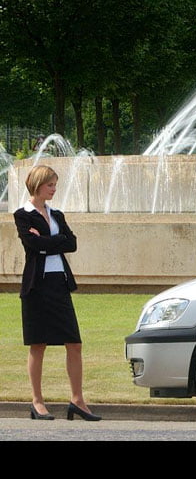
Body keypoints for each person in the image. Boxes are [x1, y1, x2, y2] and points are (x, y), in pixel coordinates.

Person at [13, 165, 101, 421]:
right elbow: (32, 244)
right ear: (38, 185)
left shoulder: (57, 214)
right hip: (36, 286)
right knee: (38, 344)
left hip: (59, 284)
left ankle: (77, 401)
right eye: (50, 185)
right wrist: (53, 241)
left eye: (55, 185)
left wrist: (45, 242)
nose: (54, 189)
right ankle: (37, 402)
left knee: (74, 343)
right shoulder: (23, 215)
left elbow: (71, 243)